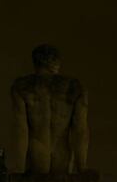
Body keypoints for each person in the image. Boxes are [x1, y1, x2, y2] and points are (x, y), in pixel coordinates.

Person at [11, 44, 89, 174]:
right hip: (63, 153)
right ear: (56, 62)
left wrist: (19, 166)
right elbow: (80, 130)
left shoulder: (22, 87)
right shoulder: (75, 87)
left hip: (36, 153)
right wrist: (82, 166)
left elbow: (20, 130)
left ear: (35, 62)